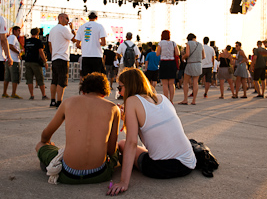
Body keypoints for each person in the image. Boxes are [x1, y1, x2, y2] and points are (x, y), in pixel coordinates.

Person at [107, 68, 196, 196]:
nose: (120, 92)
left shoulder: (131, 101)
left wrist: (123, 182)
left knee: (122, 143)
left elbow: (131, 142)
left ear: (130, 86)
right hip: (188, 163)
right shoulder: (162, 98)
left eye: (120, 87)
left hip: (163, 168)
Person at [36, 73, 120, 184]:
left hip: (68, 175)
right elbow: (110, 150)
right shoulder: (113, 108)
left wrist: (46, 143)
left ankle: (48, 161)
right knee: (117, 148)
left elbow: (46, 135)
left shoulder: (68, 102)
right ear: (104, 93)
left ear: (83, 91)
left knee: (40, 146)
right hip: (100, 175)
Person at [48, 13, 76, 108]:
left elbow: (50, 44)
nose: (68, 20)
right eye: (67, 18)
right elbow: (74, 39)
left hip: (55, 57)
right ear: (60, 18)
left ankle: (52, 101)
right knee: (62, 81)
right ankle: (59, 102)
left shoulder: (52, 30)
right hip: (63, 57)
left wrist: (53, 55)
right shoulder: (64, 29)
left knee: (54, 80)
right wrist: (72, 28)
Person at [75, 11, 107, 77]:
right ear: (96, 17)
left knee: (86, 79)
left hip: (85, 56)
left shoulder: (81, 27)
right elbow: (104, 43)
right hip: (97, 56)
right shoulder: (100, 26)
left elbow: (77, 45)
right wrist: (96, 43)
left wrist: (85, 46)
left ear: (88, 18)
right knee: (98, 78)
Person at [178, 33, 205, 105]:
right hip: (198, 64)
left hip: (190, 64)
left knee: (186, 82)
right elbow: (204, 56)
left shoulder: (189, 43)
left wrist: (183, 57)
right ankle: (194, 100)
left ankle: (185, 99)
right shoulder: (200, 44)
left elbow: (187, 54)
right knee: (195, 82)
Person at [24, 28, 49, 100]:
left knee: (29, 79)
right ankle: (43, 95)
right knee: (40, 79)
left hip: (27, 61)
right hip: (36, 62)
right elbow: (41, 52)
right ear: (38, 34)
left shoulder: (27, 41)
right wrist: (45, 62)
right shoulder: (38, 42)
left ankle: (31, 95)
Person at [156, 30, 179, 103]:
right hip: (172, 63)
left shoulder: (161, 43)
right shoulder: (173, 43)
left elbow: (157, 53)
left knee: (165, 84)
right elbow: (177, 53)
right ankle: (171, 100)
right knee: (171, 84)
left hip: (164, 62)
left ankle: (166, 101)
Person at [2, 26, 22, 99]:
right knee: (15, 77)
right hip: (14, 60)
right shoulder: (13, 37)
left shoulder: (10, 37)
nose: (19, 32)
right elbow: (10, 46)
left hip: (9, 59)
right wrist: (18, 52)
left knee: (7, 77)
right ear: (15, 31)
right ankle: (13, 93)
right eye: (18, 30)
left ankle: (4, 92)